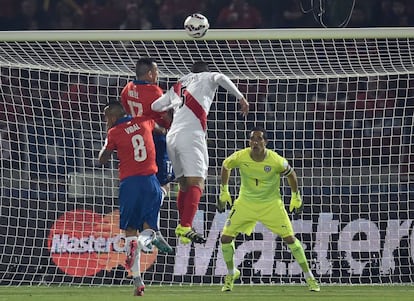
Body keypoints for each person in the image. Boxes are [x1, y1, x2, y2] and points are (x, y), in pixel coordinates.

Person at [151, 60, 249, 244]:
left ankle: (183, 226)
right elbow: (220, 77)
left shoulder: (178, 85)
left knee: (184, 184)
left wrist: (170, 109)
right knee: (197, 181)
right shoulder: (207, 77)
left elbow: (156, 106)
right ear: (206, 71)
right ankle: (186, 226)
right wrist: (240, 97)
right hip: (191, 135)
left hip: (172, 137)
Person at [216, 127, 320, 292]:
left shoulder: (275, 160)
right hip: (245, 203)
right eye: (252, 139)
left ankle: (309, 277)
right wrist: (224, 191)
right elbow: (226, 165)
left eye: (258, 139)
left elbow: (291, 174)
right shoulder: (241, 156)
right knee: (225, 239)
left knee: (291, 240)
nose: (255, 142)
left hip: (271, 204)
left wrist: (296, 197)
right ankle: (231, 273)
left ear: (266, 142)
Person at [98, 101, 172, 296]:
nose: (106, 121)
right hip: (150, 181)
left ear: (112, 117)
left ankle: (136, 254)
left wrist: (108, 142)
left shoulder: (113, 132)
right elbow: (162, 132)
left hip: (129, 184)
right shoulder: (144, 121)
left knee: (130, 230)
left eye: (107, 118)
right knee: (150, 228)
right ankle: (138, 281)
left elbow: (102, 159)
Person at [120, 56, 174, 231]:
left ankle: (149, 225)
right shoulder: (155, 91)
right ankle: (151, 223)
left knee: (147, 183)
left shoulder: (127, 89)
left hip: (136, 140)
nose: (158, 75)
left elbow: (127, 112)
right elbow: (166, 117)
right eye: (157, 71)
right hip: (156, 139)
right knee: (164, 183)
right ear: (150, 73)